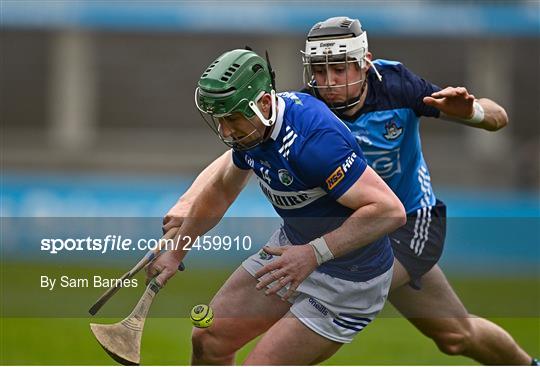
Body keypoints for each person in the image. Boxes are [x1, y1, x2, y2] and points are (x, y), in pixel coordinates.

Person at [163, 17, 536, 366]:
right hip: (350, 223)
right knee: (456, 335)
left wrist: (471, 113)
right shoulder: (302, 108)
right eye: (320, 70)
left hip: (410, 223)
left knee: (341, 288)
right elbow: (236, 159)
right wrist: (187, 203)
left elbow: (498, 117)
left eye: (340, 68)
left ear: (365, 63)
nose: (329, 81)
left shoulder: (398, 86)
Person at [147, 48, 406, 365]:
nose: (225, 132)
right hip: (290, 252)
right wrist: (177, 251)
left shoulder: (314, 141)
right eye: (219, 120)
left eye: (231, 120)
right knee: (209, 338)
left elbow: (389, 211)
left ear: (264, 104)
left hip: (348, 281)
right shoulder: (254, 132)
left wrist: (314, 253)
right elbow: (222, 188)